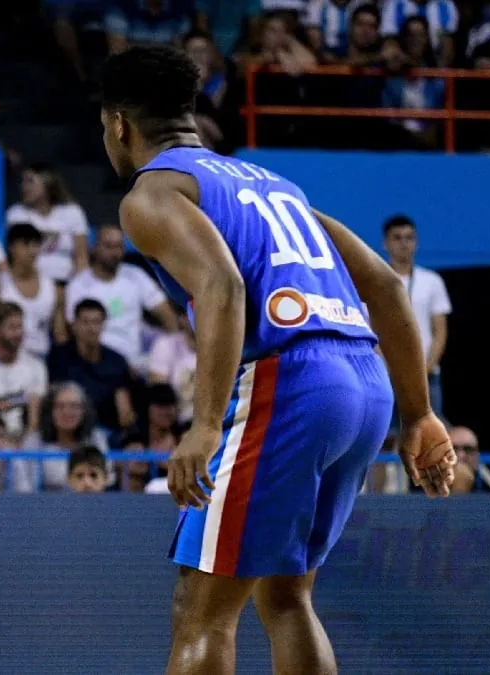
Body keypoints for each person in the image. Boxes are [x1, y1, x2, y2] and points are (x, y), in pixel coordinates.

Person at [97, 45, 457, 675]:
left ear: (119, 124)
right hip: (364, 385)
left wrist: (206, 424)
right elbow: (387, 286)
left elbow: (222, 286)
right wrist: (418, 413)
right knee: (285, 595)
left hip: (289, 383)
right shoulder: (273, 184)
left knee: (200, 607)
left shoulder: (151, 195)